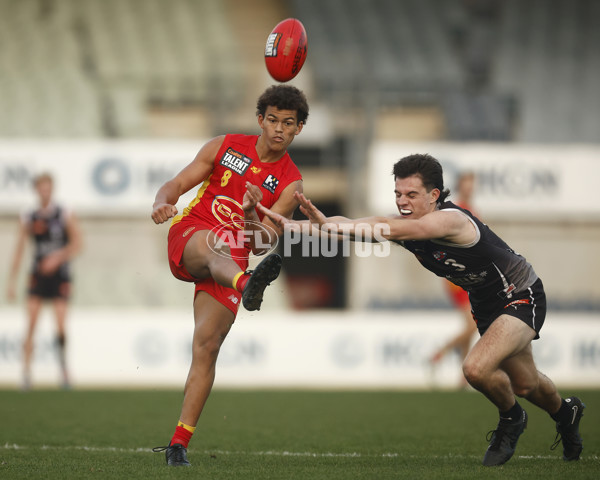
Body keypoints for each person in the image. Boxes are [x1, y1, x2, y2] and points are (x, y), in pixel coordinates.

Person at [258, 153, 585, 467]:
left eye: (411, 194)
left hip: (520, 294)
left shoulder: (449, 220)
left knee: (476, 368)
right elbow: (364, 225)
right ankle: (565, 414)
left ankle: (511, 419)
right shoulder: (407, 224)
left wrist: (330, 224)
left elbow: (383, 226)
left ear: (434, 195)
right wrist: (292, 226)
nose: (402, 201)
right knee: (526, 385)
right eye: (398, 193)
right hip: (487, 304)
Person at [150, 85, 309, 467]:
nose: (278, 129)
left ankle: (178, 444)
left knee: (207, 347)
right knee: (214, 242)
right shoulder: (224, 146)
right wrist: (161, 202)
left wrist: (253, 214)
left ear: (299, 129)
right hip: (193, 235)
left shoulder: (291, 184)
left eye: (288, 123)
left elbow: (261, 244)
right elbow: (177, 183)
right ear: (260, 119)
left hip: (235, 260)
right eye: (272, 120)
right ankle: (247, 284)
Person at [6, 173, 83, 390]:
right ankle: (26, 373)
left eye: (48, 188)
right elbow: (19, 250)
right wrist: (11, 281)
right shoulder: (28, 216)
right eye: (41, 188)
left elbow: (78, 243)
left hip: (60, 275)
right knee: (30, 324)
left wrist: (57, 258)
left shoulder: (64, 213)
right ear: (36, 190)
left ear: (52, 190)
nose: (45, 192)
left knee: (60, 326)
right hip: (37, 275)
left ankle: (64, 370)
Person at [429, 172, 478, 388]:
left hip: (469, 274)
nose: (470, 188)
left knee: (470, 324)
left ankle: (463, 379)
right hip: (459, 276)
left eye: (472, 184)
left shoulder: (471, 210)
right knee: (473, 324)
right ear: (461, 187)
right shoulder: (459, 210)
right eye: (467, 184)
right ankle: (442, 352)